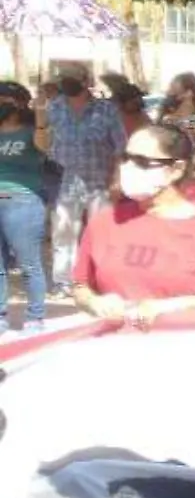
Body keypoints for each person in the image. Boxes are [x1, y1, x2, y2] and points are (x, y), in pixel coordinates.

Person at [72, 124, 195, 326]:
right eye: (126, 158)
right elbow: (81, 286)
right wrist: (94, 302)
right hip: (114, 347)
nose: (129, 168)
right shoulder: (105, 221)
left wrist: (170, 307)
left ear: (176, 169)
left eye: (142, 161)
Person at [45, 74, 128, 295]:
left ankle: (100, 278)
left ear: (85, 82)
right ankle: (64, 281)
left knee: (102, 232)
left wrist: (117, 179)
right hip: (64, 179)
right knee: (63, 233)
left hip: (99, 180)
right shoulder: (54, 107)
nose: (65, 79)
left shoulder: (106, 109)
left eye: (72, 73)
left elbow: (121, 146)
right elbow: (45, 141)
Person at [0, 82, 49, 332]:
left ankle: (35, 316)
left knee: (29, 264)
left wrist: (41, 114)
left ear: (18, 103)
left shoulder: (32, 131)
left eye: (4, 100)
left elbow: (45, 146)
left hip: (24, 202)